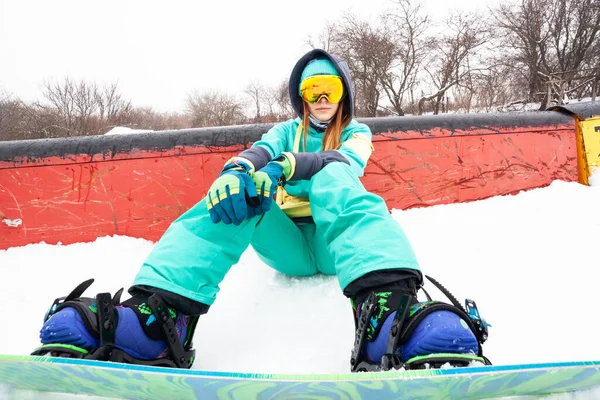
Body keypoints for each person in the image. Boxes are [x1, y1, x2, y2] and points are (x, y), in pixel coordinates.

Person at [33, 49, 489, 370]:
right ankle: (160, 317)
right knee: (242, 190)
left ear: (344, 94)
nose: (323, 99)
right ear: (302, 97)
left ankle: (388, 314)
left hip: (336, 243)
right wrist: (237, 171)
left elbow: (343, 164)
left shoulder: (357, 133)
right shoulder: (283, 130)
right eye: (313, 90)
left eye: (331, 89)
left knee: (333, 177)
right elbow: (258, 151)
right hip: (286, 244)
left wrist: (290, 165)